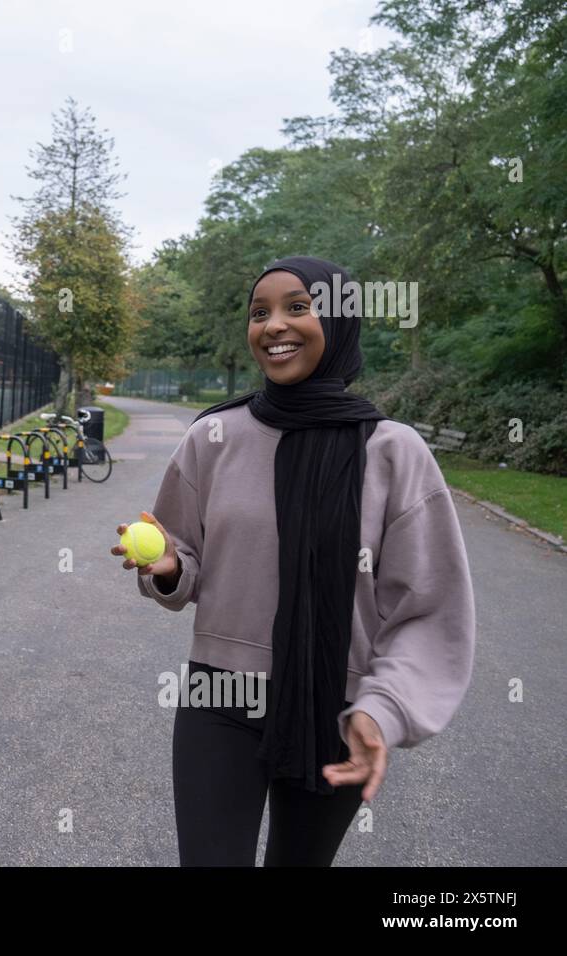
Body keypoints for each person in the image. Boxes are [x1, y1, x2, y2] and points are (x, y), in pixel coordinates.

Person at [114, 255, 475, 866]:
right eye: (260, 313)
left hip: (334, 709)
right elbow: (185, 554)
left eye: (297, 307)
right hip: (219, 698)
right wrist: (170, 568)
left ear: (341, 322)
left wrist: (382, 710)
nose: (273, 325)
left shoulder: (392, 451)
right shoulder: (213, 437)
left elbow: (430, 611)